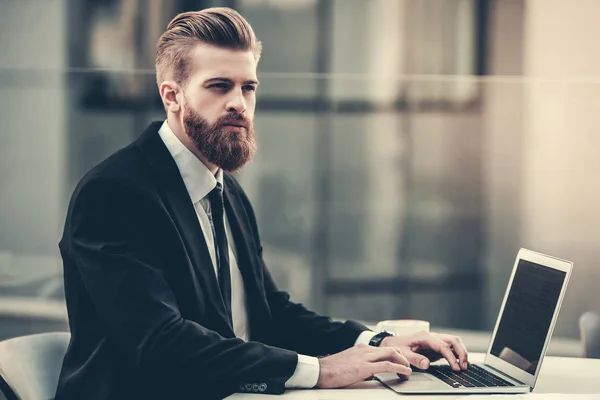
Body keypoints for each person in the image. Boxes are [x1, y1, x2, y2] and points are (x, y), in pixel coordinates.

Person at [55, 7, 469, 400]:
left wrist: (376, 342)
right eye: (220, 86)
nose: (239, 103)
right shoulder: (114, 194)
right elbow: (160, 342)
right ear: (172, 96)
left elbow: (268, 312)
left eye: (248, 87)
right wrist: (322, 371)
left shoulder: (226, 190)